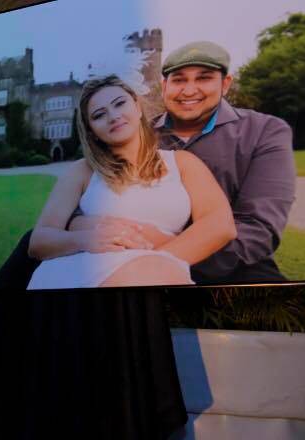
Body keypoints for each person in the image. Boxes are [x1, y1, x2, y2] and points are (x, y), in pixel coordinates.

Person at [0, 41, 296, 290]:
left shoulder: (261, 131)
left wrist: (160, 255)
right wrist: (87, 230)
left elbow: (251, 230)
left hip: (223, 261)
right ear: (163, 86)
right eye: (178, 79)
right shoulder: (128, 139)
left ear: (226, 83)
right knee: (31, 247)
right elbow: (69, 222)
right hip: (115, 258)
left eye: (204, 78)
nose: (189, 90)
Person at [26, 74, 235, 289]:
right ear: (92, 132)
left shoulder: (182, 163)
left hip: (159, 274)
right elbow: (39, 240)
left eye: (119, 103)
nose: (113, 116)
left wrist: (154, 260)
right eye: (99, 115)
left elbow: (220, 225)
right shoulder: (82, 171)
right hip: (82, 273)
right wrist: (86, 238)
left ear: (137, 106)